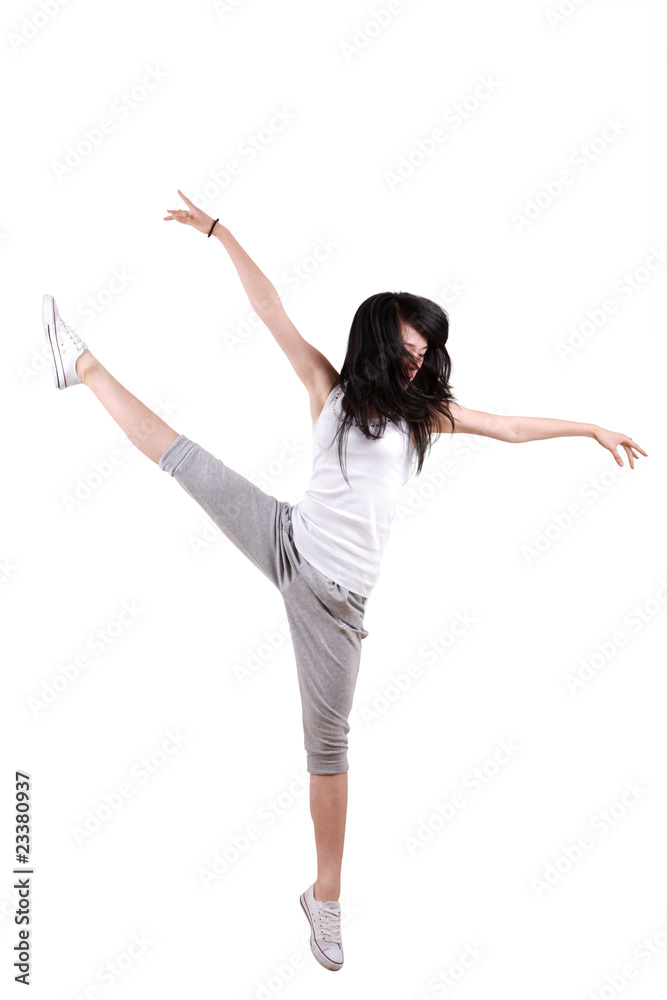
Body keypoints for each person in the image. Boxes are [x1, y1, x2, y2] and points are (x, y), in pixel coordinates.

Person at [42, 190, 648, 972]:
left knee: (327, 748)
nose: (416, 359)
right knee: (184, 460)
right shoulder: (328, 390)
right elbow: (271, 312)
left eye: (425, 351)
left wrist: (587, 426)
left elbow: (504, 426)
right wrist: (221, 233)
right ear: (374, 340)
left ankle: (320, 894)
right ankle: (80, 362)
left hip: (334, 604)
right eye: (406, 347)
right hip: (289, 541)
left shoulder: (423, 415)